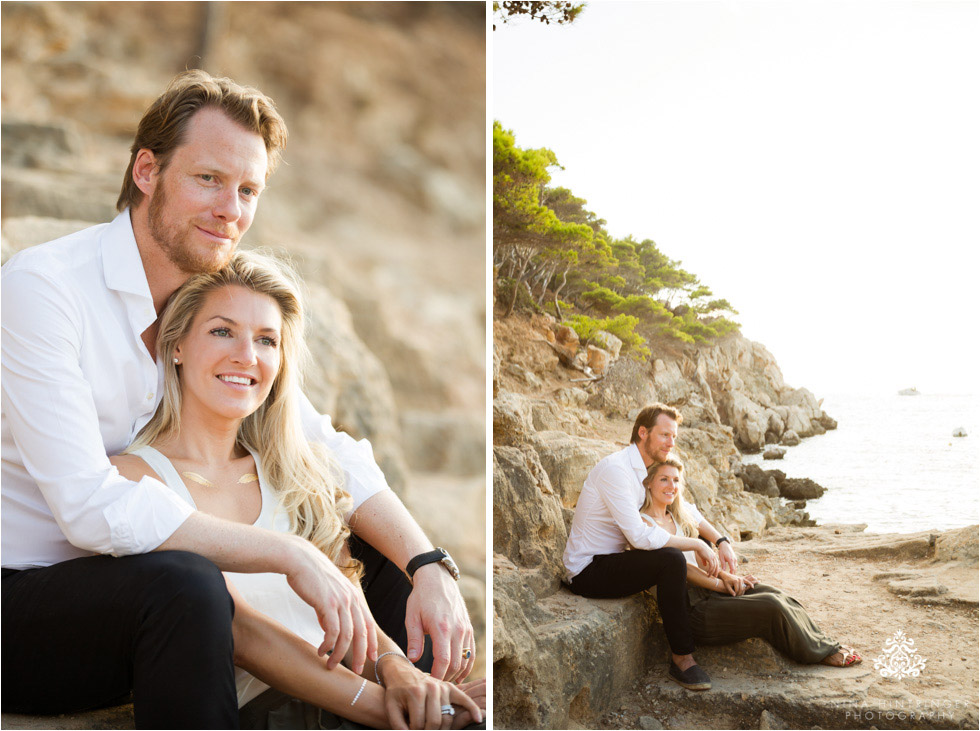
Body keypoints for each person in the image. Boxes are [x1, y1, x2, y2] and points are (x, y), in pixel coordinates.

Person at [1, 70, 473, 728]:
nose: (231, 210)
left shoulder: (212, 299)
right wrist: (291, 553)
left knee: (383, 558)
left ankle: (430, 708)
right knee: (188, 585)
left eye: (248, 189)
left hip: (149, 570)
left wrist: (429, 564)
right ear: (146, 171)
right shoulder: (44, 289)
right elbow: (86, 507)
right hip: (24, 594)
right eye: (208, 179)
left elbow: (324, 446)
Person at [107, 249, 484, 728]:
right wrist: (385, 708)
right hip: (270, 712)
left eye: (266, 340)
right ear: (176, 345)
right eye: (222, 331)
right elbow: (243, 631)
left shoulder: (293, 471)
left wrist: (402, 673)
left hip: (351, 699)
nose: (246, 356)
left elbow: (350, 608)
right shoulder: (134, 477)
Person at [563, 404, 732, 691]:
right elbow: (640, 537)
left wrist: (720, 541)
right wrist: (696, 545)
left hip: (616, 559)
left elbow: (688, 509)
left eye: (674, 437)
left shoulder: (644, 469)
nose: (671, 443)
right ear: (643, 433)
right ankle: (682, 659)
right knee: (671, 559)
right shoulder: (616, 470)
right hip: (588, 570)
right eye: (665, 435)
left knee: (672, 554)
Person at [641, 457, 862, 669]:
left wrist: (730, 577)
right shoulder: (642, 524)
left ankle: (825, 644)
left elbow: (701, 561)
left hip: (709, 592)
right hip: (692, 610)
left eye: (676, 480)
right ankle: (818, 654)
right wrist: (722, 585)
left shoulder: (676, 516)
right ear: (649, 482)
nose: (671, 485)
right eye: (664, 479)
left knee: (775, 593)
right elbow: (684, 569)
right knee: (771, 607)